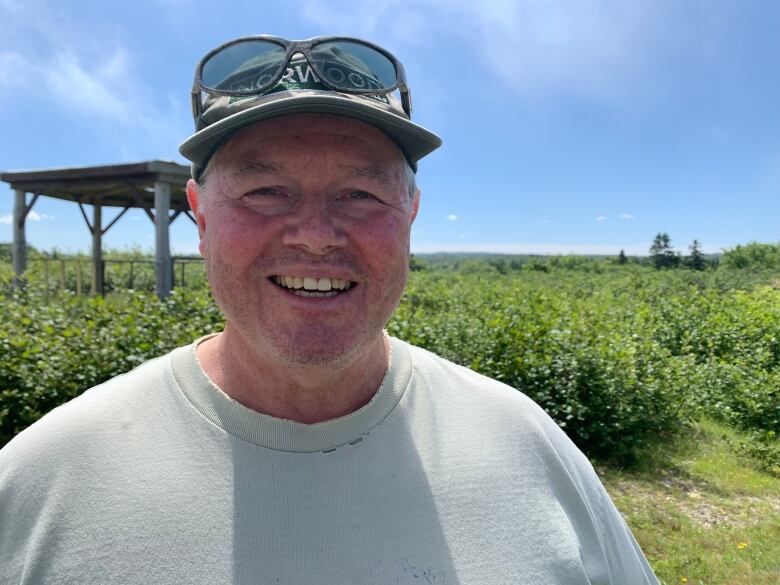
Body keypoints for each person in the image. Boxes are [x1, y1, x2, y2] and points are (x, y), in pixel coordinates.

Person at [0, 35, 659, 584]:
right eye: (264, 190)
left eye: (360, 193)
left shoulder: (526, 444)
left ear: (410, 215)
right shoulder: (41, 482)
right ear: (198, 215)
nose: (315, 233)